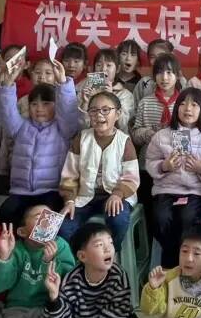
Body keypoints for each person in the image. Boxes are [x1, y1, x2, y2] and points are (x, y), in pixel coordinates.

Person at [0, 58, 85, 227]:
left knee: (45, 221)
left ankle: (43, 244)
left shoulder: (63, 129)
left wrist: (63, 82)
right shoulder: (20, 127)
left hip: (51, 192)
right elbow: (6, 113)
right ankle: (19, 243)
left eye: (46, 104)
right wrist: (7, 84)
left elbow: (68, 110)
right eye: (34, 104)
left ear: (56, 106)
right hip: (21, 191)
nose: (39, 108)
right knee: (5, 216)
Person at [145, 88, 201, 268]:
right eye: (183, 104)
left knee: (188, 218)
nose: (188, 108)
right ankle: (173, 259)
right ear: (176, 107)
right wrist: (164, 166)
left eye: (194, 105)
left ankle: (183, 259)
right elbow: (150, 162)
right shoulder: (161, 136)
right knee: (161, 218)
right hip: (166, 190)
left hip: (196, 192)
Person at [58, 91, 140, 250]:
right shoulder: (81, 139)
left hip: (116, 196)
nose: (99, 115)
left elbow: (131, 177)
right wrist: (69, 200)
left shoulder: (124, 141)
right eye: (94, 110)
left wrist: (118, 194)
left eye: (105, 110)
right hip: (84, 197)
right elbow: (70, 175)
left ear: (117, 114)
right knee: (64, 227)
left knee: (118, 220)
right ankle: (78, 259)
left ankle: (109, 255)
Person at [131, 52, 184, 204]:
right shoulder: (145, 102)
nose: (164, 77)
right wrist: (150, 133)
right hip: (147, 164)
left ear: (177, 75)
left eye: (169, 72)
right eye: (160, 72)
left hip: (175, 165)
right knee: (148, 205)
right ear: (154, 76)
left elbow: (190, 133)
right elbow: (135, 134)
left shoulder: (184, 103)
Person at [79, 48, 136, 132]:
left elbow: (123, 125)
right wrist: (85, 103)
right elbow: (81, 127)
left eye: (108, 65)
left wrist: (111, 98)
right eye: (99, 65)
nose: (103, 69)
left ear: (118, 69)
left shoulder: (125, 95)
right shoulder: (85, 88)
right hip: (90, 137)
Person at [133, 39, 178, 105]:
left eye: (161, 55)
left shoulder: (180, 81)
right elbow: (135, 106)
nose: (157, 60)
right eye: (152, 57)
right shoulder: (144, 82)